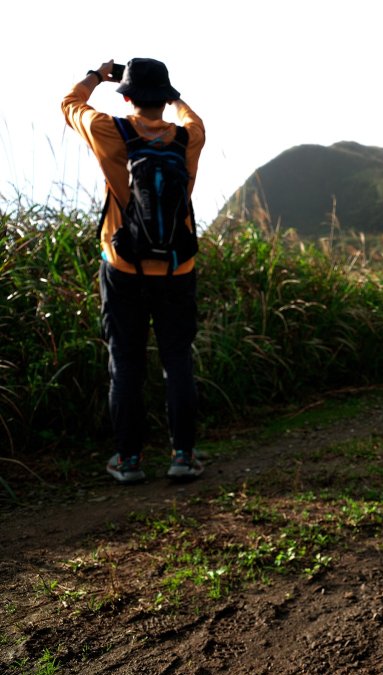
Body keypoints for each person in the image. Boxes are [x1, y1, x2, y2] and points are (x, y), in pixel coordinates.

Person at [62, 58, 206, 483]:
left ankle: (128, 462)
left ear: (125, 96)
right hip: (178, 268)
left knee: (124, 362)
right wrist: (174, 97)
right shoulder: (189, 137)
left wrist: (97, 75)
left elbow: (70, 104)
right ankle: (183, 456)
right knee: (177, 359)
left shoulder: (110, 131)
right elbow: (190, 115)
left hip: (123, 265)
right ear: (164, 97)